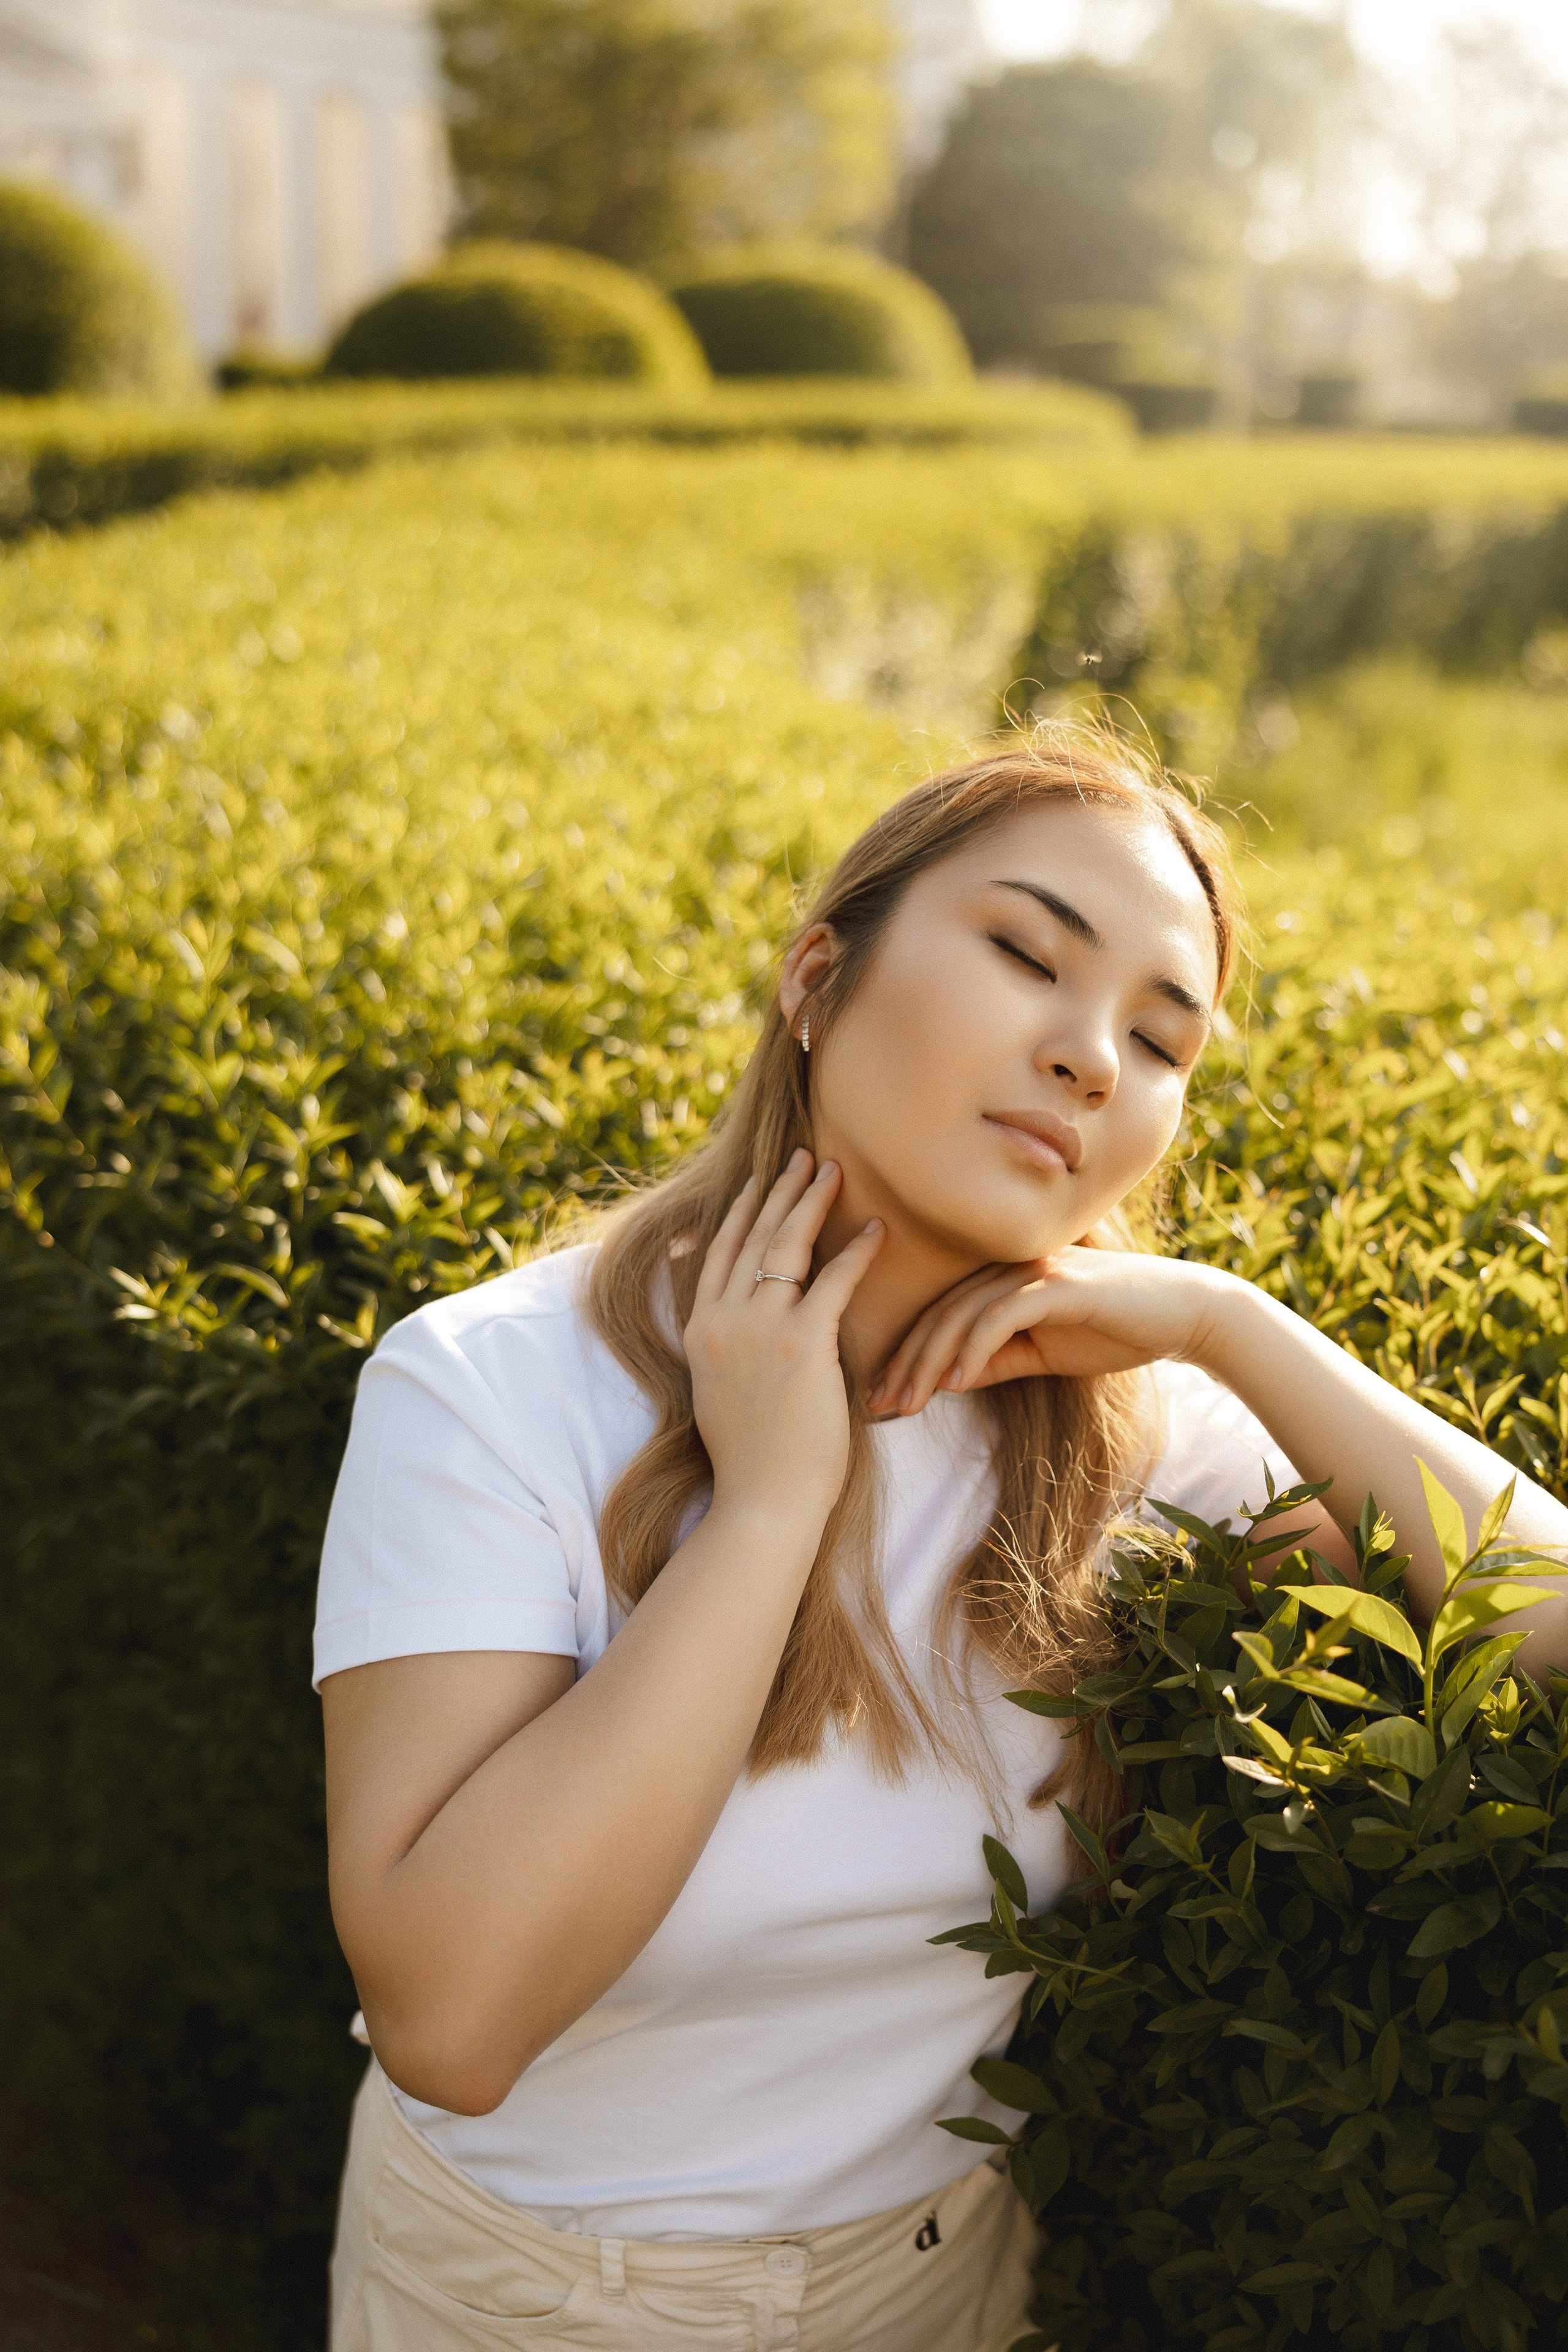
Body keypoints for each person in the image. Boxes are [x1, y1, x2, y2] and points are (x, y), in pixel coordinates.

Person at [315, 729, 1568, 2352]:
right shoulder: (491, 1388)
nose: (1094, 1058)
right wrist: (768, 1505)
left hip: (945, 2277)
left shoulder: (1122, 1433)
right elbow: (454, 2018)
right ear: (818, 978)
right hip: (539, 2299)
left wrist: (1230, 1324)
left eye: (1161, 1040)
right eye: (1027, 954)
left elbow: (1542, 1627)